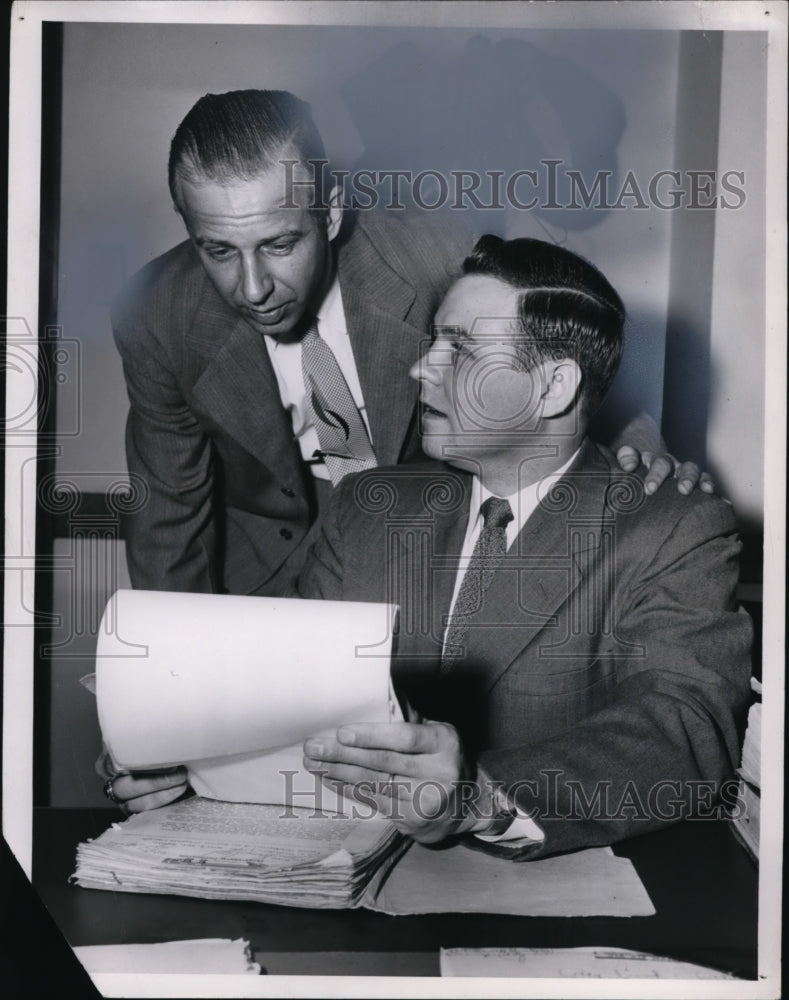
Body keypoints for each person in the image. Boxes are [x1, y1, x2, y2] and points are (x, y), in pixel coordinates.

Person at [103, 91, 710, 812]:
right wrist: (163, 704)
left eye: (278, 244)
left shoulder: (434, 259)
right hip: (270, 584)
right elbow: (168, 516)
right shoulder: (156, 314)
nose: (252, 288)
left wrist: (643, 455)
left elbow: (561, 338)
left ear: (328, 215)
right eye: (217, 251)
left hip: (423, 562)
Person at [298, 236, 752, 858]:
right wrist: (180, 761)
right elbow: (282, 690)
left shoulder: (671, 526)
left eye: (460, 349)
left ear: (553, 387)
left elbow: (685, 728)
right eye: (434, 341)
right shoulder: (366, 506)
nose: (421, 368)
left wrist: (478, 796)